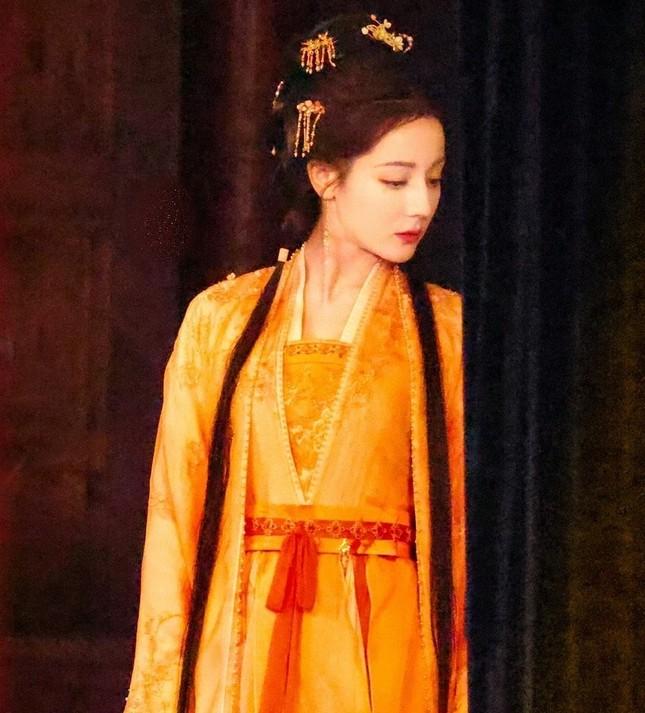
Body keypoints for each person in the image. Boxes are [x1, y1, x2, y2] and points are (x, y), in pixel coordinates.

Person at [124, 12, 467, 713]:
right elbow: (174, 523)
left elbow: (464, 535)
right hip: (242, 645)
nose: (420, 205)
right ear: (324, 175)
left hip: (383, 655)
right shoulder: (221, 322)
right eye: (395, 180)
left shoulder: (447, 331)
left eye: (433, 181)